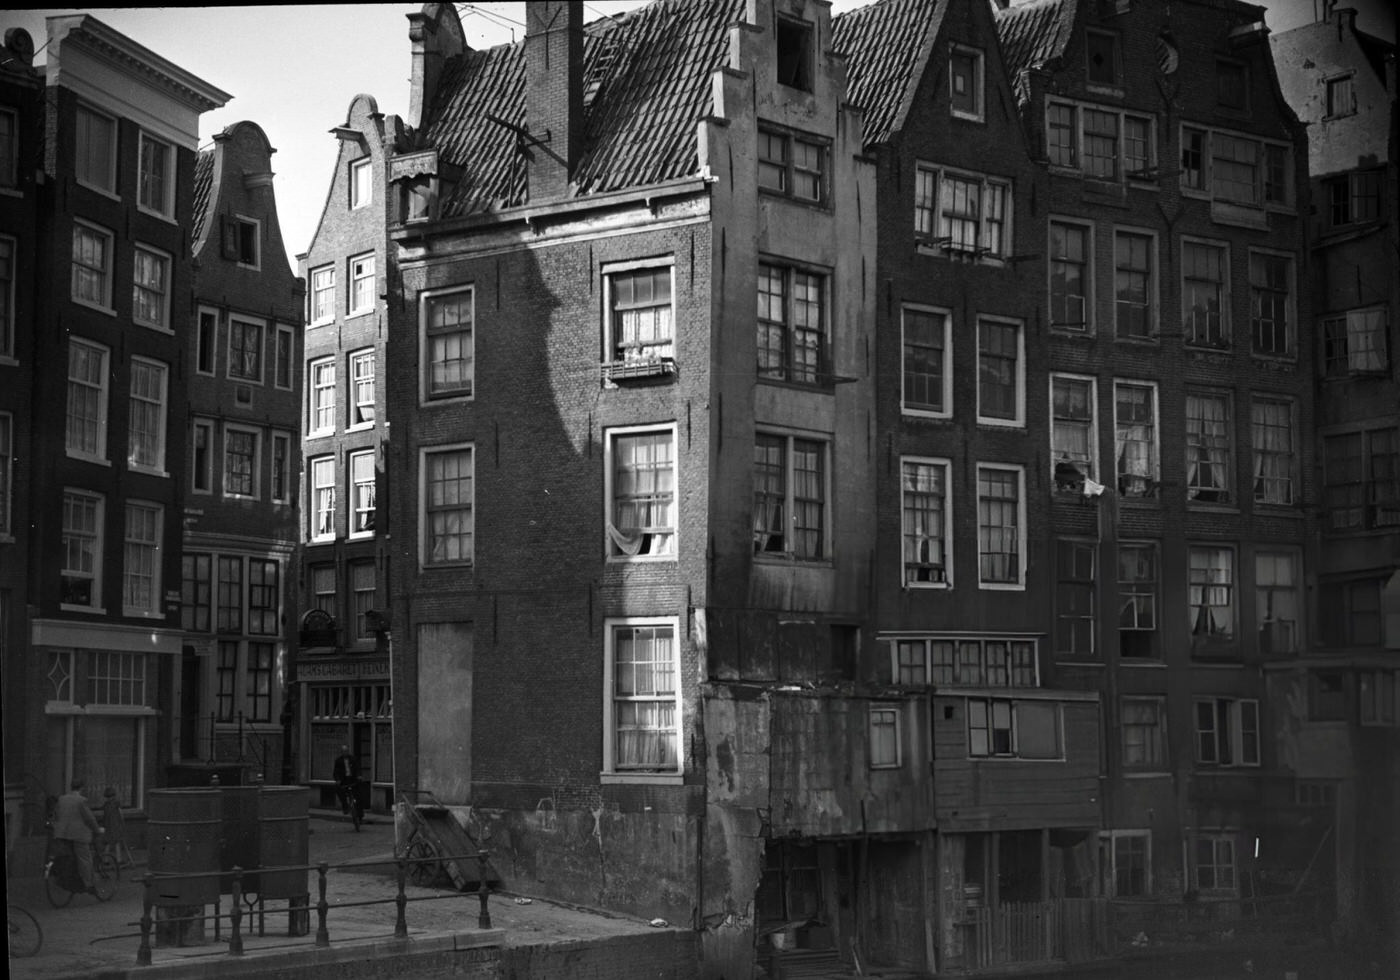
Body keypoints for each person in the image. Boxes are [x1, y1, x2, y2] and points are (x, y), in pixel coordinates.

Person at [52, 778, 103, 893]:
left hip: (62, 834)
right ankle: (89, 885)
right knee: (85, 858)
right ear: (81, 788)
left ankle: (66, 879)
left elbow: (56, 814)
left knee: (67, 857)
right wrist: (97, 830)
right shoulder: (81, 800)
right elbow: (89, 818)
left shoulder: (62, 799)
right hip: (77, 835)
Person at [99, 787, 133, 869]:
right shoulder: (116, 804)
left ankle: (105, 860)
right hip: (116, 825)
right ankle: (119, 860)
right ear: (114, 795)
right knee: (117, 842)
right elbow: (120, 814)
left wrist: (103, 825)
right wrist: (122, 823)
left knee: (107, 842)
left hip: (108, 826)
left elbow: (104, 817)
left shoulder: (105, 805)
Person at [332, 745, 359, 815]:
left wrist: (359, 776)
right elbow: (335, 772)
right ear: (341, 752)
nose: (345, 753)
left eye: (346, 751)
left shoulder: (353, 759)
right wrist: (337, 780)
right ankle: (345, 806)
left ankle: (359, 813)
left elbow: (357, 768)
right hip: (343, 780)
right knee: (338, 789)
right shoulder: (338, 761)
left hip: (352, 779)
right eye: (344, 751)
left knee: (359, 793)